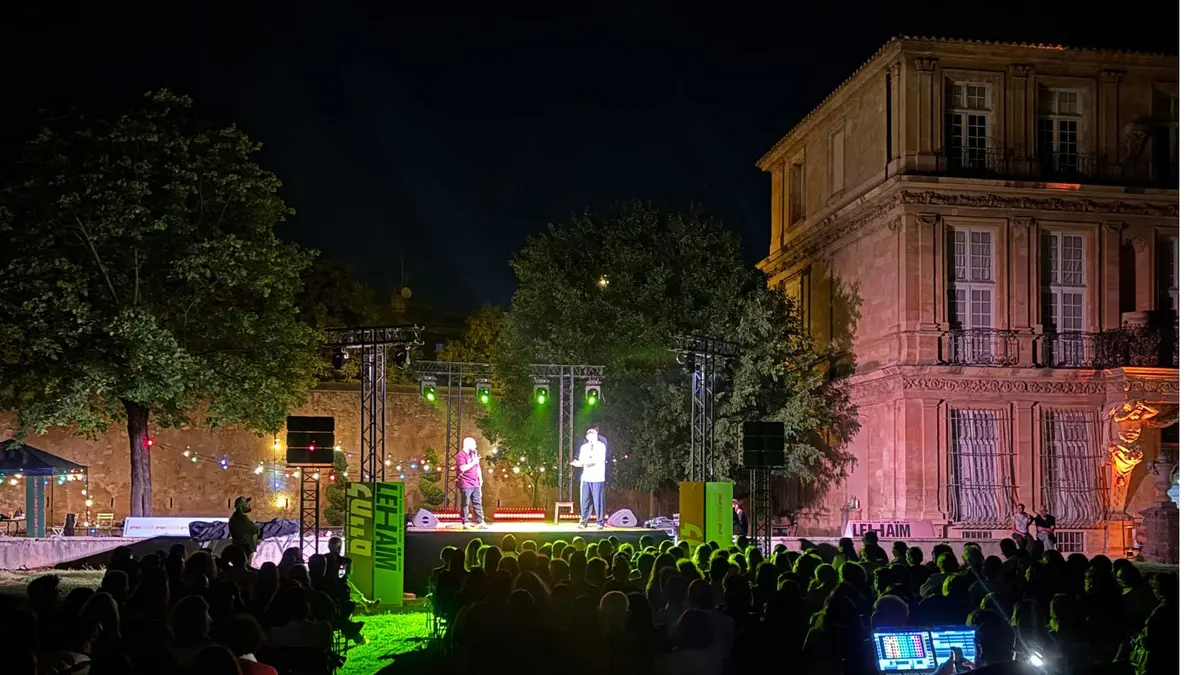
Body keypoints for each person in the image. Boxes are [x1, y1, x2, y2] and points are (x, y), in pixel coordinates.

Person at [572, 427, 607, 529]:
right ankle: (583, 522)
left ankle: (600, 522)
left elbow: (595, 460)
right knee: (585, 500)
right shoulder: (584, 447)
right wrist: (580, 463)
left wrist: (583, 463)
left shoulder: (601, 446)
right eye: (592, 436)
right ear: (587, 437)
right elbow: (583, 460)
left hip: (597, 477)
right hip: (586, 477)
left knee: (598, 501)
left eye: (595, 435)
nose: (594, 437)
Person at [456, 437, 486, 529]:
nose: (475, 446)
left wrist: (480, 479)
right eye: (474, 444)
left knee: (477, 502)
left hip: (475, 482)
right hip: (465, 482)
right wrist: (473, 462)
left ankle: (480, 521)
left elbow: (478, 467)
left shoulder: (473, 454)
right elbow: (462, 468)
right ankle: (465, 521)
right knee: (465, 503)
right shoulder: (461, 455)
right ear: (468, 444)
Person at [229, 497, 260, 561]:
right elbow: (254, 530)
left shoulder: (236, 517)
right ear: (242, 506)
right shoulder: (241, 519)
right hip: (245, 551)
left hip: (244, 550)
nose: (248, 505)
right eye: (246, 503)